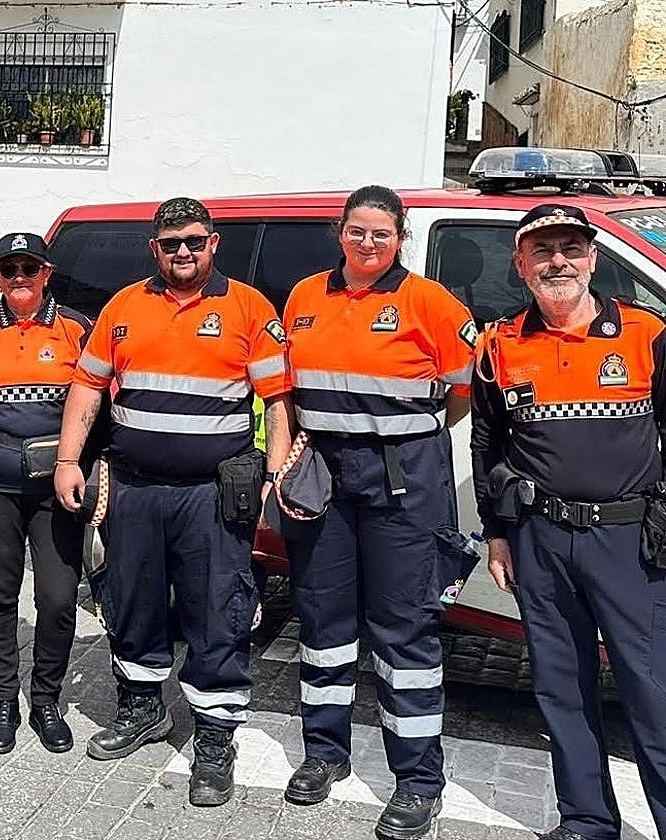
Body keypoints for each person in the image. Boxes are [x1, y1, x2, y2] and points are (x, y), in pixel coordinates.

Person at [55, 197, 287, 806]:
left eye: (193, 241)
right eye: (169, 243)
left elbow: (279, 400)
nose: (181, 252)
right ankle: (141, 709)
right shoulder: (124, 306)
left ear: (213, 243)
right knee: (132, 602)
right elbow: (87, 384)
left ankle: (214, 738)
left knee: (218, 609)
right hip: (133, 487)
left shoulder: (248, 307)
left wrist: (274, 477)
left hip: (213, 495)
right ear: (153, 248)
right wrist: (67, 459)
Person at [272, 185, 475, 839]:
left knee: (402, 632)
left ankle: (417, 781)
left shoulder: (431, 303)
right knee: (324, 621)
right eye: (357, 231)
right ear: (340, 231)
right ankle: (324, 754)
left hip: (402, 483)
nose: (367, 243)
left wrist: (403, 434)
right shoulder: (304, 297)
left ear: (399, 238)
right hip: (324, 477)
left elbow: (464, 392)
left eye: (381, 234)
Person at [472, 203, 666, 840]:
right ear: (520, 263)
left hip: (629, 541)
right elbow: (486, 444)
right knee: (561, 689)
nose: (558, 262)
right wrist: (497, 534)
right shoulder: (500, 344)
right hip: (540, 538)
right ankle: (586, 820)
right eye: (543, 250)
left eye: (571, 249)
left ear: (592, 259)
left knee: (653, 691)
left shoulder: (647, 333)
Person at [0, 233, 90, 755]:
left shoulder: (77, 329)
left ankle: (47, 699)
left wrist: (88, 467)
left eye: (29, 268)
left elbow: (96, 405)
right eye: (9, 270)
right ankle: (4, 700)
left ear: (46, 273)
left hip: (56, 485)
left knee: (57, 598)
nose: (19, 278)